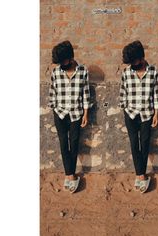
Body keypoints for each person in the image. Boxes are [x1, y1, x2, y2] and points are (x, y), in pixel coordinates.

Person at [119, 40, 158, 193]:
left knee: (144, 142)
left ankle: (141, 173)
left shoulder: (153, 72)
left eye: (134, 61)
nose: (132, 64)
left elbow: (156, 94)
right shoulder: (126, 73)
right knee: (134, 143)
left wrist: (156, 113)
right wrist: (124, 107)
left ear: (141, 57)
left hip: (147, 114)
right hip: (130, 113)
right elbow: (123, 91)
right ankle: (140, 176)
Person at [48, 40, 90, 193]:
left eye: (63, 61)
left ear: (71, 57)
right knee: (63, 143)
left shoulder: (83, 71)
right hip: (59, 113)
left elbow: (86, 94)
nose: (61, 64)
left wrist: (86, 113)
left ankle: (71, 173)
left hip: (76, 113)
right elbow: (53, 92)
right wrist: (53, 107)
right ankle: (70, 175)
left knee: (74, 142)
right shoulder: (56, 72)